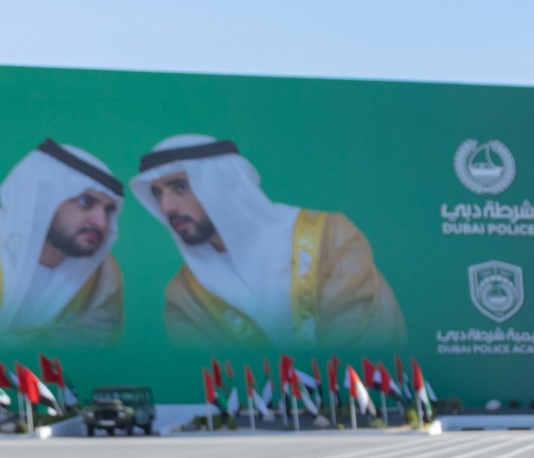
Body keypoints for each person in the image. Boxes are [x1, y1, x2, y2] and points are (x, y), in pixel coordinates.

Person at [132, 135, 403, 347]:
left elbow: (358, 339)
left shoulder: (330, 237)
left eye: (179, 187)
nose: (166, 207)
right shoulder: (185, 294)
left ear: (225, 185)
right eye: (157, 194)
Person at [0, 141, 125, 344]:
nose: (102, 222)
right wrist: (52, 340)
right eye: (86, 202)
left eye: (108, 210)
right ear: (43, 199)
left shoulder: (103, 273)